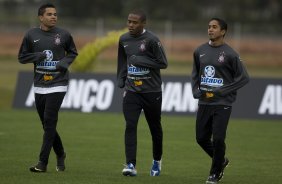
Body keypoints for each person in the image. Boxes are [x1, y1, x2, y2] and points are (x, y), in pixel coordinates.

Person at [18, 3, 78, 172]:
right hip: (39, 85)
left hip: (58, 84)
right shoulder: (31, 35)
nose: (53, 17)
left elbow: (73, 52)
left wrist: (63, 64)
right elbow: (22, 58)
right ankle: (60, 153)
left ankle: (42, 163)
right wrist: (38, 56)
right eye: (50, 14)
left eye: (55, 14)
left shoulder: (64, 34)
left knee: (50, 122)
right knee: (47, 125)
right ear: (41, 17)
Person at [191, 18, 249, 184]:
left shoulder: (230, 54)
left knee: (218, 139)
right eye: (209, 27)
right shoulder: (199, 50)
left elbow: (244, 78)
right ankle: (221, 161)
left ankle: (214, 174)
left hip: (223, 104)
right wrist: (196, 90)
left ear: (223, 31)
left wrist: (224, 90)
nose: (210, 30)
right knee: (201, 138)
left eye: (214, 27)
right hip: (204, 102)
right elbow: (195, 72)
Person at [117, 9, 168, 177]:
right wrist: (121, 77)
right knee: (130, 125)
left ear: (143, 23)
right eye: (129, 21)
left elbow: (163, 63)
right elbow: (123, 60)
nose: (130, 25)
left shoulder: (152, 40)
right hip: (132, 91)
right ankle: (130, 164)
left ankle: (156, 160)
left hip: (151, 91)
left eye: (134, 22)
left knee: (155, 128)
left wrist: (141, 60)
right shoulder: (123, 39)